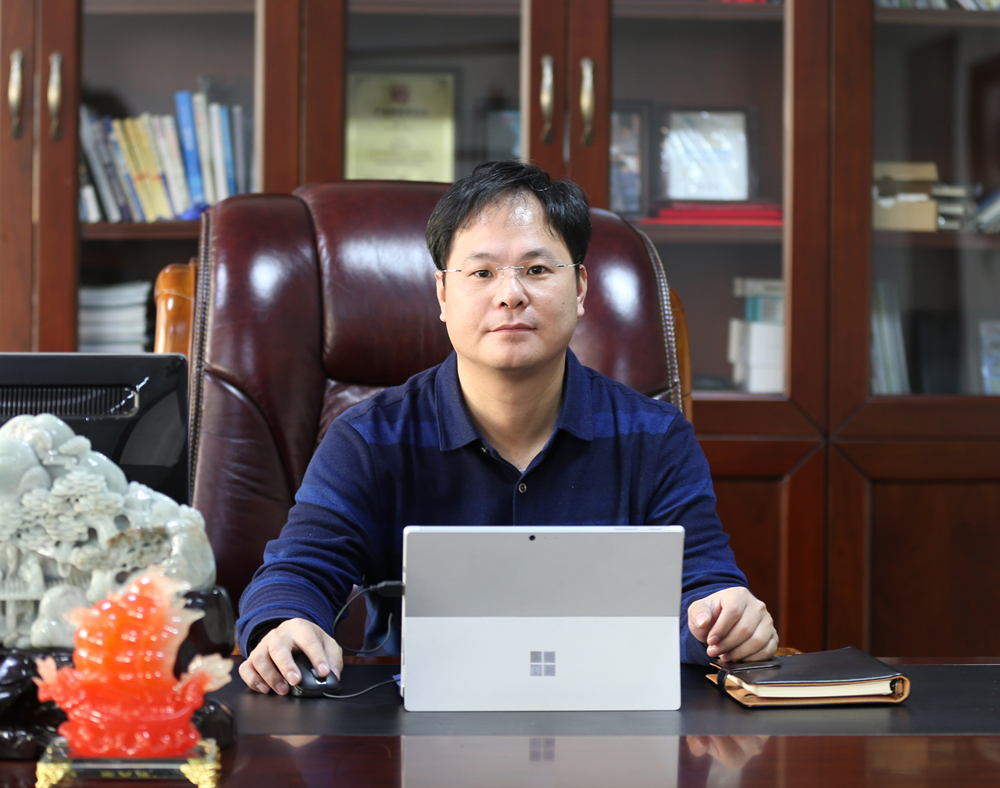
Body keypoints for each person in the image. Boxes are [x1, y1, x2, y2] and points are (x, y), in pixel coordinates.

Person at [237, 161, 778, 695]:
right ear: (443, 295)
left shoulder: (656, 438)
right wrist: (285, 625)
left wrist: (725, 621)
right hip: (418, 720)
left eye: (537, 270)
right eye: (482, 273)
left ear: (581, 288)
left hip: (611, 717)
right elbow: (298, 572)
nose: (510, 294)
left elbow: (701, 586)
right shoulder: (368, 439)